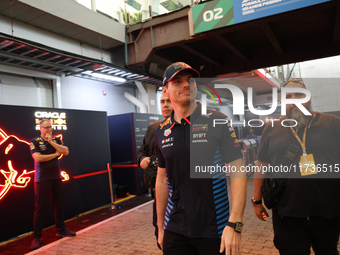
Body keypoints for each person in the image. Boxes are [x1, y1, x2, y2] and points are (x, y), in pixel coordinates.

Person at [154, 62, 247, 255]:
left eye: (190, 81)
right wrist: (161, 226)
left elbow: (238, 171)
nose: (186, 85)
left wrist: (235, 224)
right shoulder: (161, 131)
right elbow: (162, 180)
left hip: (215, 228)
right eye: (178, 81)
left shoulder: (217, 120)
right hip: (175, 228)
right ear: (166, 90)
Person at [253, 78, 340, 255]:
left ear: (308, 98)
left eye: (298, 95)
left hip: (327, 213)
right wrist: (257, 201)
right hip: (287, 215)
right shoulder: (271, 128)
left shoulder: (332, 123)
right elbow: (261, 164)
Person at [30, 119, 76, 250]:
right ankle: (37, 237)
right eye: (47, 127)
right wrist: (55, 154)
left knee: (59, 204)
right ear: (40, 128)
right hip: (42, 179)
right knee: (40, 208)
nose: (49, 130)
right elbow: (38, 158)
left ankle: (61, 230)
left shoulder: (55, 140)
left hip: (56, 177)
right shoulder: (34, 141)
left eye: (51, 127)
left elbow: (66, 151)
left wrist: (51, 142)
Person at [137, 92, 172, 249]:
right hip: (158, 188)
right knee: (159, 228)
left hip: (181, 191)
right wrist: (142, 159)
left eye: (169, 101)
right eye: (162, 101)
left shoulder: (189, 129)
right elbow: (141, 151)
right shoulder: (153, 129)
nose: (165, 105)